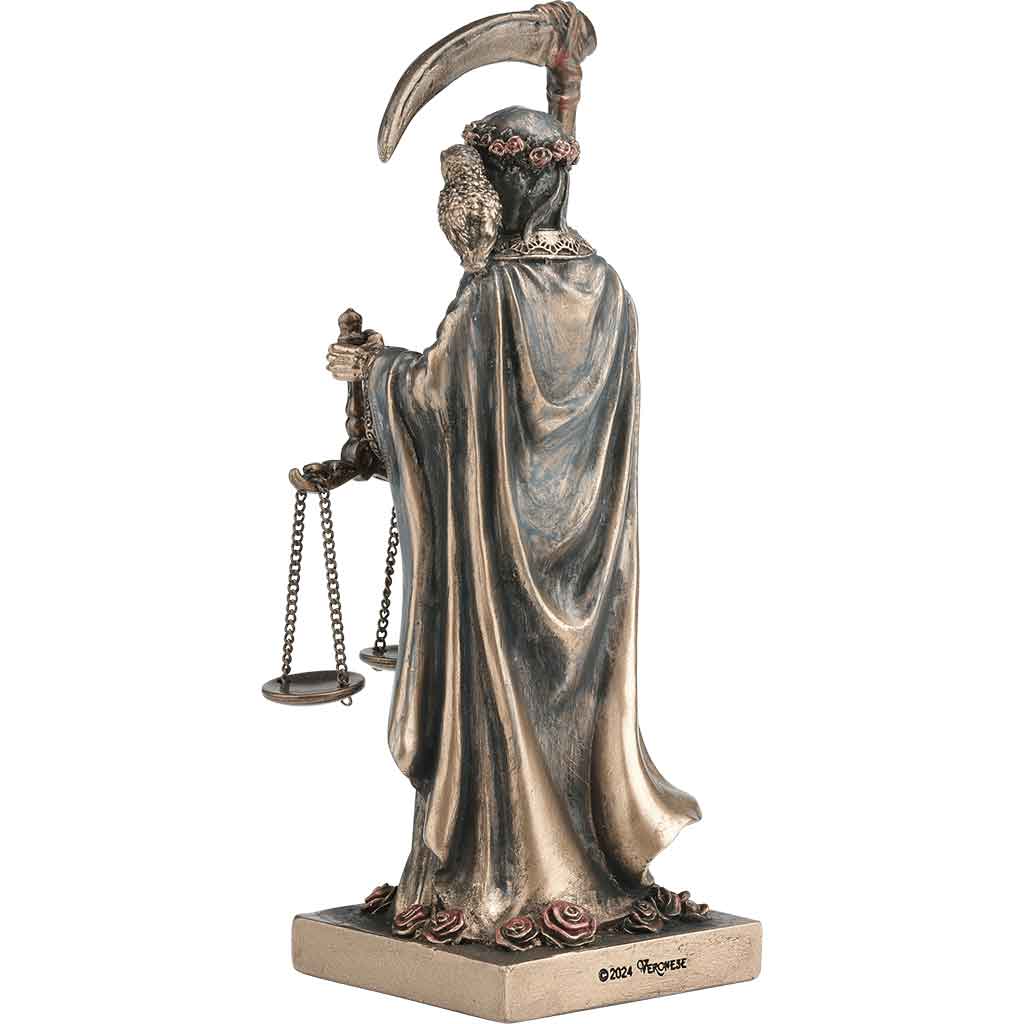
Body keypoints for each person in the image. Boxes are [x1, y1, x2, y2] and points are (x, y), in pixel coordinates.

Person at [327, 107, 700, 942]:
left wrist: (374, 368)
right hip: (589, 563)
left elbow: (435, 400)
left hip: (497, 556)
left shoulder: (494, 292)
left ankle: (501, 880)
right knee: (572, 710)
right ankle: (583, 874)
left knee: (498, 697)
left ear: (503, 187)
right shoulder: (609, 288)